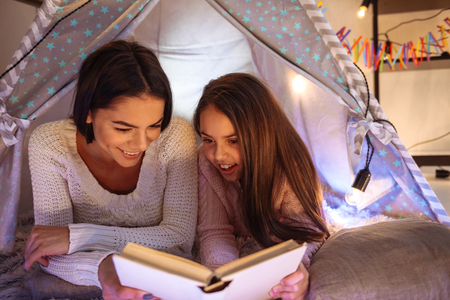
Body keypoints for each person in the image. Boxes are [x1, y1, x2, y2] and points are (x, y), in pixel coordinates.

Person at [24, 40, 198, 300]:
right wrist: (106, 268)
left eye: (154, 125)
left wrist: (79, 237)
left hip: (160, 278)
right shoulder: (49, 146)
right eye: (123, 128)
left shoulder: (176, 136)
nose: (141, 144)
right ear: (89, 112)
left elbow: (179, 239)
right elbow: (49, 256)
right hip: (88, 281)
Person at [193, 73, 330, 300]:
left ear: (261, 135)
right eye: (208, 140)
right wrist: (225, 280)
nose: (218, 155)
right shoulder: (207, 164)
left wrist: (296, 269)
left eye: (233, 140)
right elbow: (214, 231)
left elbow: (309, 232)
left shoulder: (289, 165)